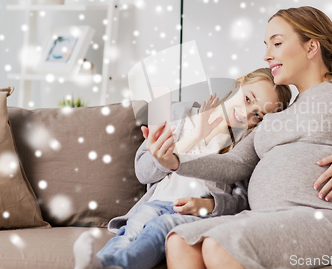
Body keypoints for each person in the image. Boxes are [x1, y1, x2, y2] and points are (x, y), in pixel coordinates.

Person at [147, 6, 332, 269]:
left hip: (328, 218)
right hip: (267, 219)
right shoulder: (275, 115)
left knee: (218, 244)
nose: (267, 55)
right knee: (180, 242)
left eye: (276, 43)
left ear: (311, 47)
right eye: (266, 45)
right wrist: (175, 160)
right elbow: (234, 166)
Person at [72, 67, 292, 269]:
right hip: (157, 203)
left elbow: (242, 201)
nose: (246, 113)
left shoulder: (245, 146)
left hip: (196, 216)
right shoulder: (180, 113)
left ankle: (108, 265)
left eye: (257, 114)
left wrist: (207, 205)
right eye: (247, 99)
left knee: (162, 226)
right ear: (239, 82)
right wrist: (195, 136)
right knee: (133, 229)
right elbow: (143, 172)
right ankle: (101, 263)